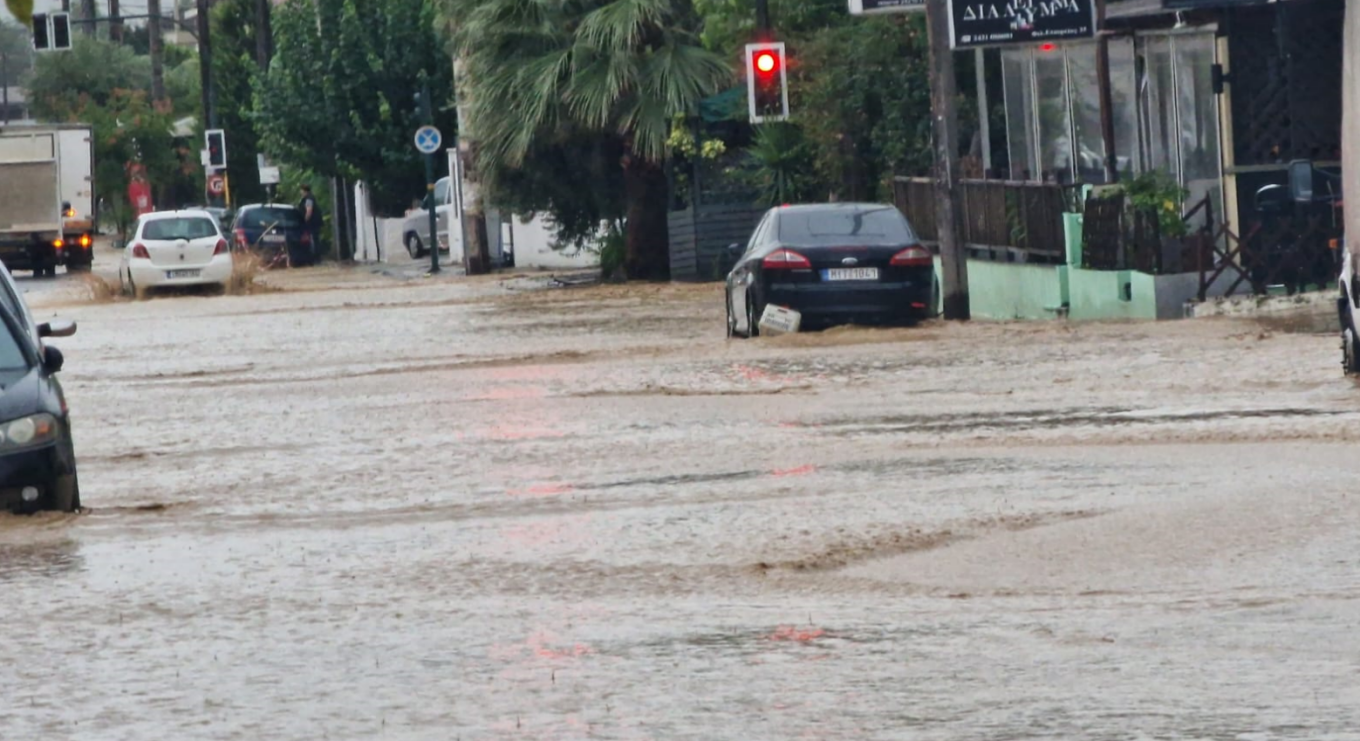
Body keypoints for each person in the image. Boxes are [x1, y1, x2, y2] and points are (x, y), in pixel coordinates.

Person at [297, 184, 322, 265]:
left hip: (312, 223)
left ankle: (316, 259)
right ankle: (316, 258)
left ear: (304, 190)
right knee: (314, 239)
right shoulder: (308, 198)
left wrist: (305, 220)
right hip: (313, 222)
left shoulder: (309, 199)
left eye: (301, 190)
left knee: (313, 240)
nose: (300, 192)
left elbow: (309, 211)